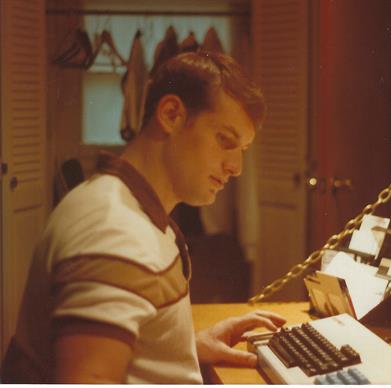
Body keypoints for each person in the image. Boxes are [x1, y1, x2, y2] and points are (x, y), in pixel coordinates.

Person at [1, 50, 286, 383]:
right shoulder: (114, 231)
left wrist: (186, 348)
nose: (236, 167)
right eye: (225, 141)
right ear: (170, 114)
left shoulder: (121, 203)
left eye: (242, 150)